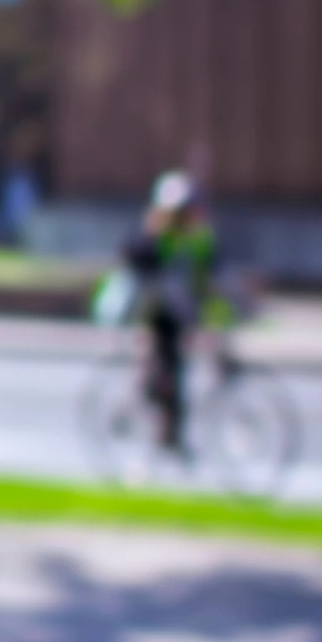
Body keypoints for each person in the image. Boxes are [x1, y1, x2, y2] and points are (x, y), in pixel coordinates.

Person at [124, 169, 221, 455]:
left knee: (179, 375)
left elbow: (208, 273)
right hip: (158, 313)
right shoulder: (155, 235)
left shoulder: (198, 236)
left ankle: (171, 432)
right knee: (165, 370)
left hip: (181, 313)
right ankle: (158, 416)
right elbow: (141, 269)